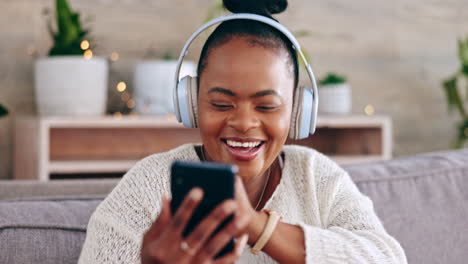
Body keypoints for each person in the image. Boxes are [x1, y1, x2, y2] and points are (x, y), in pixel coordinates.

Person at [78, 0, 407, 263]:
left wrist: (253, 224)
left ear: (297, 112)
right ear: (191, 104)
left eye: (266, 107)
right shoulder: (149, 187)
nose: (244, 123)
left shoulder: (317, 179)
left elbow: (388, 258)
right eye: (221, 104)